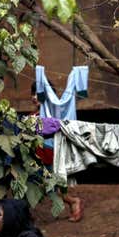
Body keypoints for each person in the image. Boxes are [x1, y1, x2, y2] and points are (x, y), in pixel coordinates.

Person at [30, 83, 84, 222]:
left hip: (51, 156)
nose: (34, 97)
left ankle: (73, 202)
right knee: (38, 187)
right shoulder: (33, 116)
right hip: (38, 157)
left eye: (38, 94)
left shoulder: (54, 115)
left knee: (54, 190)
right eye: (33, 93)